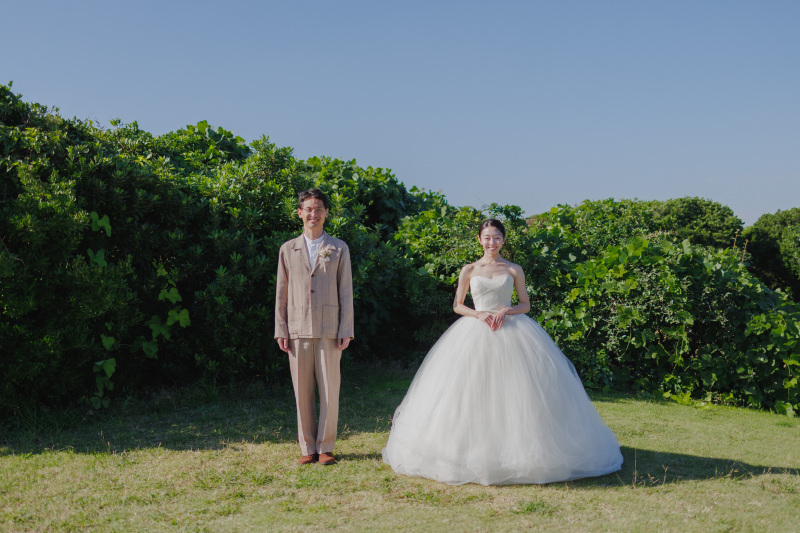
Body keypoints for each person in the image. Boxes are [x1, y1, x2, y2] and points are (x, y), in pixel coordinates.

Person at [382, 219, 623, 485]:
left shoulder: (513, 268)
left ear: (503, 240)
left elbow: (525, 305)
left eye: (496, 237)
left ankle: (524, 454)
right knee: (469, 390)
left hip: (513, 330)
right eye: (486, 237)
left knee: (518, 392)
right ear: (479, 240)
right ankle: (466, 453)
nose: (491, 242)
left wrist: (506, 310)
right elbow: (458, 305)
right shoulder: (469, 269)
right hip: (475, 330)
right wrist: (479, 314)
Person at [275, 188, 354, 465]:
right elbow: (281, 293)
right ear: (300, 213)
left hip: (330, 328)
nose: (313, 213)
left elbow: (346, 291)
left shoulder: (339, 248)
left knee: (330, 390)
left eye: (318, 208)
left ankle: (326, 447)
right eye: (308, 208)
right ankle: (307, 447)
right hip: (297, 328)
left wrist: (346, 327)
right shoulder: (287, 249)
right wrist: (280, 329)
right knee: (302, 392)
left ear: (326, 213)